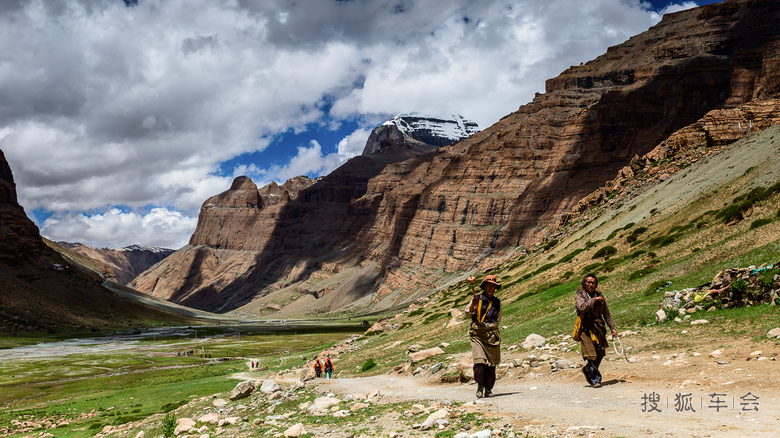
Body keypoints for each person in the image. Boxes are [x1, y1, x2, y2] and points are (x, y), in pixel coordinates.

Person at [575, 273, 617, 388]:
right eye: (588, 282)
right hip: (586, 329)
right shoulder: (580, 295)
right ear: (584, 284)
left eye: (593, 283)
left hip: (599, 329)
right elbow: (582, 308)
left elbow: (607, 314)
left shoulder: (600, 296)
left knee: (600, 353)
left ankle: (587, 368)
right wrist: (594, 300)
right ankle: (596, 380)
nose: (591, 285)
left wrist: (612, 328)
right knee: (591, 355)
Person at [465, 274, 502, 398]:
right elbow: (468, 314)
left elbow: (498, 319)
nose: (491, 289)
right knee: (480, 362)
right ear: (484, 287)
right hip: (477, 335)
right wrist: (472, 305)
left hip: (491, 335)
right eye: (489, 286)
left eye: (493, 287)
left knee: (491, 364)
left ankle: (488, 388)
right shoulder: (477, 298)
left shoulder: (497, 303)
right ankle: (480, 386)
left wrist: (491, 327)